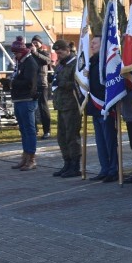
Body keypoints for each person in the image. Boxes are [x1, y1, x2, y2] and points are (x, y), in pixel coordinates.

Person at [86, 35, 119, 183]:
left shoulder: (106, 63)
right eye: (91, 43)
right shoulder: (92, 62)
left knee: (109, 141)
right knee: (100, 141)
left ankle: (113, 170)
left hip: (105, 107)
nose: (92, 45)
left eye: (95, 42)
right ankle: (104, 168)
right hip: (95, 107)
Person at [50, 39, 83, 178]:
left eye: (61, 52)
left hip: (72, 105)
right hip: (61, 105)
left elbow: (78, 83)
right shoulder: (61, 65)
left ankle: (75, 166)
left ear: (68, 50)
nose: (59, 55)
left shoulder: (75, 63)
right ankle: (67, 163)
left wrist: (61, 82)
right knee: (61, 137)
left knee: (71, 136)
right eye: (57, 53)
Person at [9, 37, 40, 169]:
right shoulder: (21, 62)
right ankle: (25, 156)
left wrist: (12, 83)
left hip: (27, 100)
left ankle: (31, 158)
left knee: (29, 130)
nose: (14, 56)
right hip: (19, 99)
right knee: (23, 129)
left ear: (21, 52)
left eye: (16, 53)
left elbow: (29, 83)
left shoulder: (30, 63)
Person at [30, 35, 53, 139]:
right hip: (31, 84)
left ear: (40, 43)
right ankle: (34, 130)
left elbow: (47, 61)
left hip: (42, 84)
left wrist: (35, 52)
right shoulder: (29, 54)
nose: (34, 44)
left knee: (43, 107)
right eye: (33, 42)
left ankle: (47, 130)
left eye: (37, 42)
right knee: (31, 108)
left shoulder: (44, 52)